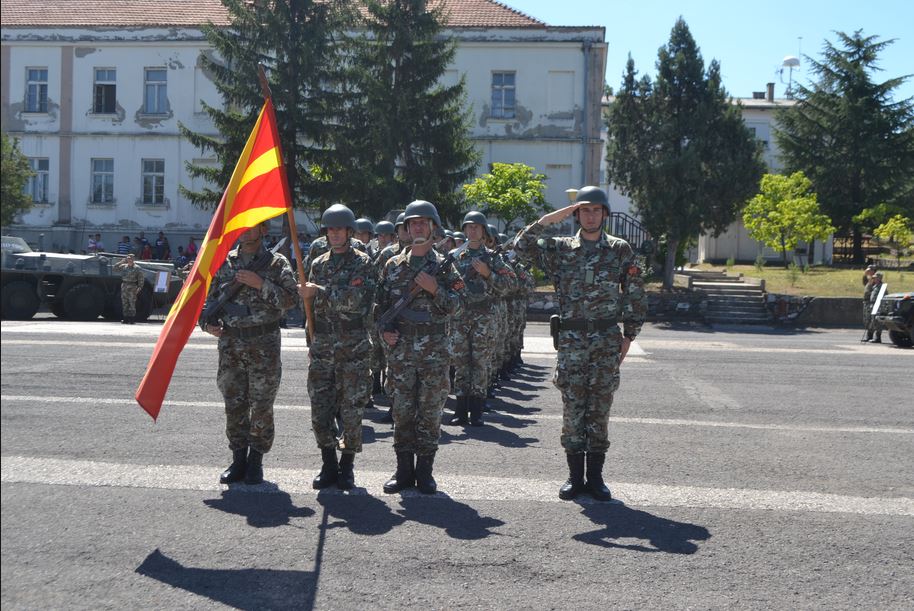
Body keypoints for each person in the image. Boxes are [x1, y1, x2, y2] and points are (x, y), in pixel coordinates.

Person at [514, 186, 647, 502]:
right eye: (584, 210)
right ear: (576, 215)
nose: (590, 215)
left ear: (604, 214)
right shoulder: (560, 248)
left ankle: (596, 478)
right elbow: (521, 246)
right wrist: (552, 216)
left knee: (599, 409)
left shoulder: (619, 250)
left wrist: (629, 336)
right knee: (573, 409)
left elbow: (635, 293)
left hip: (604, 339)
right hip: (572, 341)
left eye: (596, 210)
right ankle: (575, 477)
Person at [375, 200, 465, 494]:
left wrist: (435, 289)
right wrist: (385, 333)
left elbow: (460, 308)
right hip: (401, 351)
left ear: (433, 228)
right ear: (405, 228)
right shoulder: (392, 266)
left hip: (434, 353)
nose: (417, 227)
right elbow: (380, 309)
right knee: (401, 411)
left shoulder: (445, 267)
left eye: (423, 223)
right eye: (412, 223)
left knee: (429, 411)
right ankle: (403, 471)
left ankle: (425, 471)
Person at [201, 222, 299, 486]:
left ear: (263, 230)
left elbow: (292, 301)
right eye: (241, 226)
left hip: (263, 345)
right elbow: (209, 300)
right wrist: (208, 323)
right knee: (234, 404)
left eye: (252, 226)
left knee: (262, 407)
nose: (246, 231)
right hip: (231, 346)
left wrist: (261, 284)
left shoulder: (276, 264)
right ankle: (238, 459)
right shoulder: (225, 262)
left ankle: (256, 461)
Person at [300, 204, 376, 490]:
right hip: (323, 347)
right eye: (329, 229)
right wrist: (311, 340)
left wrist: (318, 291)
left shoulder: (363, 263)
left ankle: (347, 466)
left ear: (349, 232)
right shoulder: (318, 264)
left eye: (339, 229)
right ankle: (328, 463)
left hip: (353, 348)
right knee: (320, 409)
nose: (333, 234)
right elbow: (312, 311)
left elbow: (355, 301)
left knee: (351, 411)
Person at [447, 211, 515, 426]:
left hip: (484, 318)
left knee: (480, 364)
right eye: (469, 226)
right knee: (461, 363)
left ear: (484, 231)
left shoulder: (493, 258)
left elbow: (510, 285)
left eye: (477, 226)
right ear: (465, 230)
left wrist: (488, 274)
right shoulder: (456, 257)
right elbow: (447, 282)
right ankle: (460, 409)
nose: (472, 230)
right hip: (460, 317)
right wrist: (460, 287)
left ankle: (476, 412)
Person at [113, 253, 145, 324]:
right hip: (124, 285)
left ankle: (132, 319)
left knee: (132, 303)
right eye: (128, 258)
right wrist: (120, 262)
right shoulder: (124, 266)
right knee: (125, 303)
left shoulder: (137, 268)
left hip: (132, 286)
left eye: (130, 258)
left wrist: (139, 287)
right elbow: (114, 268)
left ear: (133, 259)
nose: (129, 260)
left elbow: (141, 278)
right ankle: (125, 319)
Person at [866, 271, 885, 343]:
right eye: (874, 278)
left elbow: (884, 297)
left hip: (878, 305)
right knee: (872, 321)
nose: (874, 279)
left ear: (879, 278)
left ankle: (878, 338)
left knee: (877, 322)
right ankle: (869, 336)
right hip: (873, 305)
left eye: (876, 278)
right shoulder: (875, 286)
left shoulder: (882, 287)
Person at [861, 265, 877, 342]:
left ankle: (870, 336)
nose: (868, 271)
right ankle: (869, 336)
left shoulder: (875, 279)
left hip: (871, 302)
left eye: (870, 270)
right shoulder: (869, 279)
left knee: (871, 319)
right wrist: (865, 274)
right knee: (867, 319)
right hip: (866, 301)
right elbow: (864, 282)